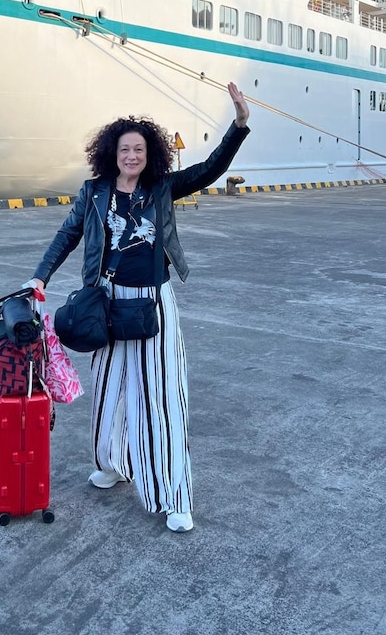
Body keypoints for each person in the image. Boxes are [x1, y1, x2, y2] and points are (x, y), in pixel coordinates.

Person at [27, 81, 250, 533]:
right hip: (107, 305)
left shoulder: (163, 188)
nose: (132, 156)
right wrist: (40, 276)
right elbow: (67, 235)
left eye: (140, 150)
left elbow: (209, 170)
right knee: (110, 389)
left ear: (151, 155)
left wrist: (239, 126)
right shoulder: (93, 192)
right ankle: (112, 462)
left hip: (153, 305)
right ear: (112, 153)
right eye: (125, 149)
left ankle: (175, 495)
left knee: (162, 398)